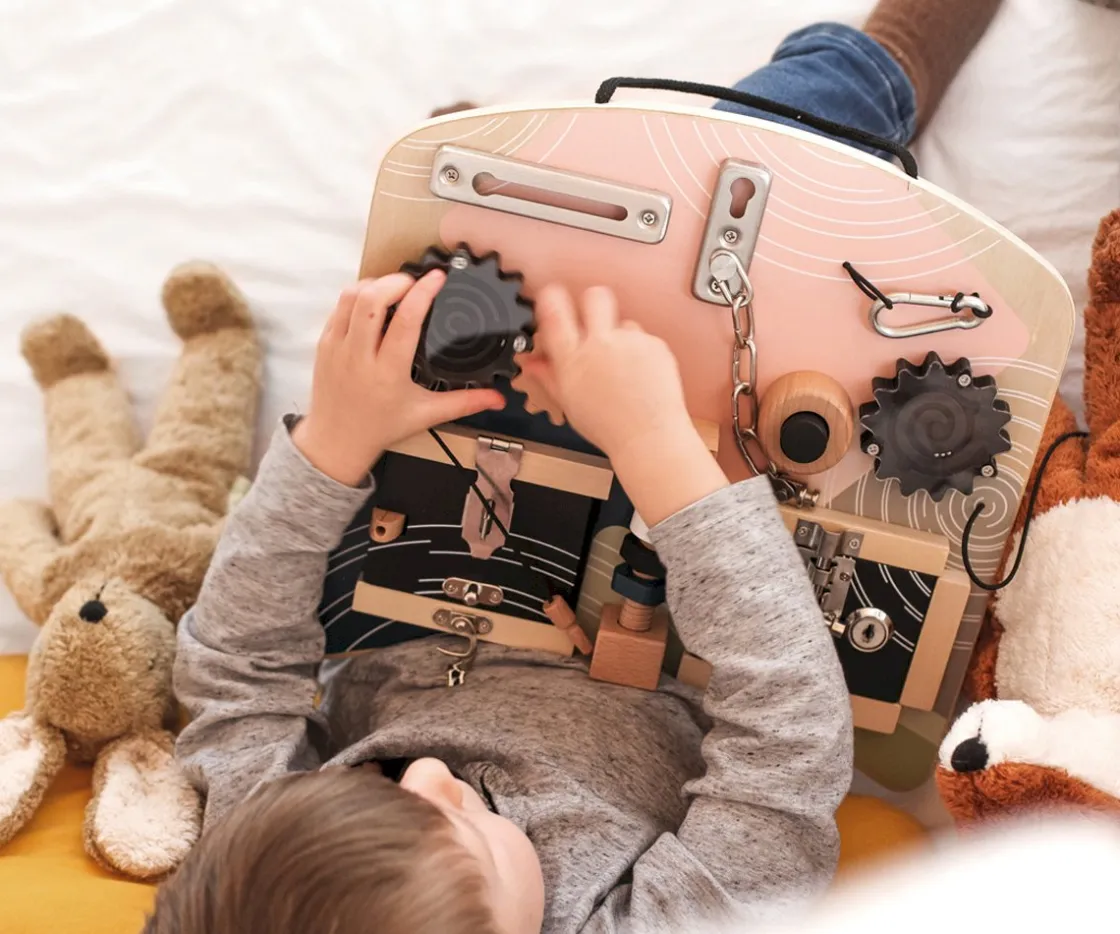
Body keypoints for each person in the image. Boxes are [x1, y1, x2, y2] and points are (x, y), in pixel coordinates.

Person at [145, 1, 1002, 932]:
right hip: (701, 573)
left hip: (443, 539)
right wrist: (657, 448)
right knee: (752, 181)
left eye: (377, 784)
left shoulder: (264, 892)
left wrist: (333, 442)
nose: (430, 771)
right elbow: (786, 747)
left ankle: (505, 200)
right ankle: (888, 55)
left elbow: (234, 671)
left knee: (453, 308)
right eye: (468, 830)